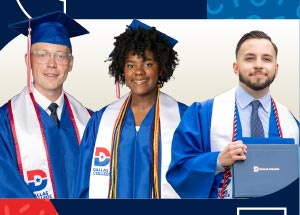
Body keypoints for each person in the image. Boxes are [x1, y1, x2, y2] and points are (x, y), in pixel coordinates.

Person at [166, 30, 300, 199]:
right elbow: (180, 168)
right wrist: (217, 161)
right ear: (236, 67)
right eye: (249, 58)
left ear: (276, 68)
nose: (258, 65)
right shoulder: (204, 113)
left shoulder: (290, 122)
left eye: (266, 59)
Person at [74, 19, 187, 199]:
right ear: (122, 70)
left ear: (162, 68)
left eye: (148, 64)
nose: (139, 72)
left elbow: (196, 179)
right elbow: (83, 185)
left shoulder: (184, 119)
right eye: (130, 65)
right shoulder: (101, 120)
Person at [0, 11, 92, 198]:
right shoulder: (4, 124)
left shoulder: (91, 121)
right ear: (28, 60)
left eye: (60, 56)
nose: (51, 64)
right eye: (42, 55)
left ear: (71, 63)